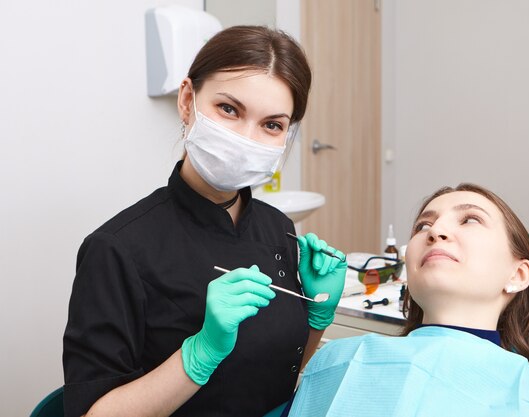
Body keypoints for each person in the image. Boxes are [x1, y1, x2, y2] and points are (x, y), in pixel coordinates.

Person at [63, 25, 347, 417]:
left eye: (271, 125)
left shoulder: (278, 228)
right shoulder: (117, 249)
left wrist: (317, 317)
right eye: (229, 109)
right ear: (186, 100)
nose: (246, 138)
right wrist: (200, 353)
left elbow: (283, 370)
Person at [286, 183, 529, 417]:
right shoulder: (337, 361)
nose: (436, 230)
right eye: (422, 225)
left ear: (518, 275)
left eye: (470, 219)